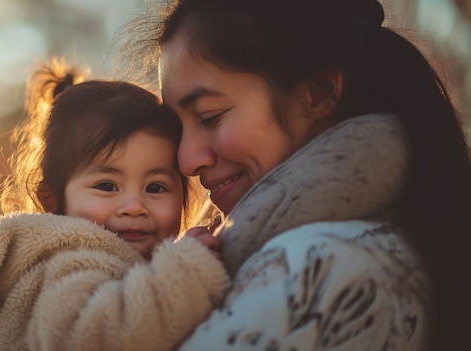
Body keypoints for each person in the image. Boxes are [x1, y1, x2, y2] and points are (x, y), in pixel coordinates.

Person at [117, 0, 471, 350]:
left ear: (315, 96)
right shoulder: (399, 237)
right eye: (177, 128)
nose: (185, 161)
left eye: (210, 117)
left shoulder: (319, 269)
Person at [0, 58, 230, 351]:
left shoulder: (129, 263)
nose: (134, 206)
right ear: (52, 200)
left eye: (155, 187)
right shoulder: (66, 264)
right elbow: (93, 338)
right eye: (106, 186)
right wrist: (185, 276)